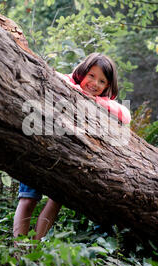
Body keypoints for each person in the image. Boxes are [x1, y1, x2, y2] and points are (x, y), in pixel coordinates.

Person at [13, 52, 131, 241]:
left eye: (102, 81)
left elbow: (125, 115)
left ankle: (35, 247)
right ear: (83, 72)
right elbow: (57, 78)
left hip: (63, 156)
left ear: (108, 85)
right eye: (91, 76)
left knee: (56, 200)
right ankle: (18, 250)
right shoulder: (67, 82)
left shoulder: (104, 102)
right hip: (39, 146)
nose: (94, 84)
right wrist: (81, 95)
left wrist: (96, 101)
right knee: (28, 198)